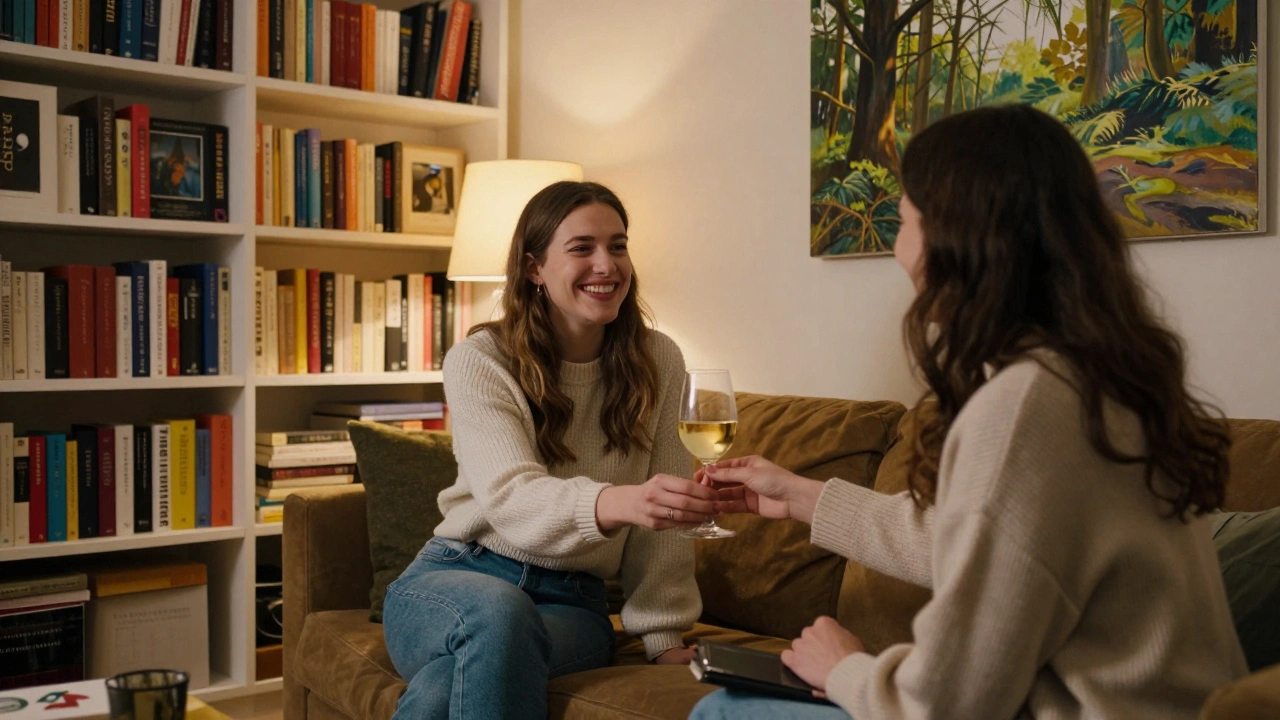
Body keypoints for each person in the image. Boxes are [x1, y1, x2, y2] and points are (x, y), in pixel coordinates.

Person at [691, 105, 1248, 719]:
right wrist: (801, 497)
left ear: (955, 238)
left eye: (903, 222)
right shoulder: (1100, 375)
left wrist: (846, 667)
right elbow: (991, 547)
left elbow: (947, 703)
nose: (898, 251)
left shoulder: (1025, 405)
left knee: (724, 710)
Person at [382, 181, 718, 720]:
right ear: (535, 267)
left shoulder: (661, 359)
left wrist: (662, 635)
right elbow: (512, 498)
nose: (606, 265)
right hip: (455, 582)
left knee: (447, 688)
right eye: (582, 248)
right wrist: (624, 501)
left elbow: (667, 523)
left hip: (572, 606)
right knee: (498, 613)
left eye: (618, 245)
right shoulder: (480, 359)